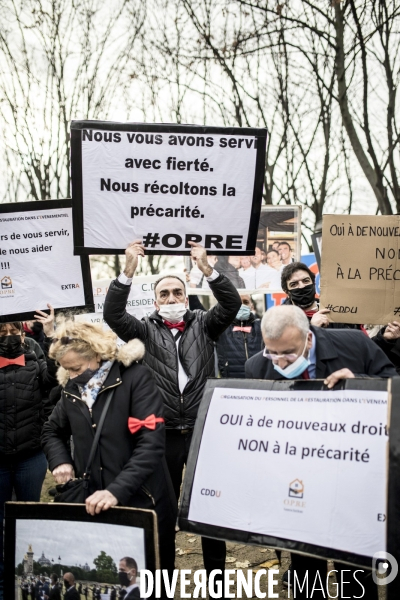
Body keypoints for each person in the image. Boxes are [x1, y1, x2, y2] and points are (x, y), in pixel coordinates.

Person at [103, 240, 241, 590]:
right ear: (154, 301)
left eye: (176, 292)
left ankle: (217, 588)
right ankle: (160, 587)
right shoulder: (143, 330)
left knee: (207, 514)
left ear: (186, 295)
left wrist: (208, 269)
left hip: (201, 432)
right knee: (162, 515)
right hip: (160, 435)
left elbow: (232, 303)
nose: (170, 299)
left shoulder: (205, 325)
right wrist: (128, 271)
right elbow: (113, 316)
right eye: (163, 294)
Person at [245, 305, 397, 599]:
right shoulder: (256, 367)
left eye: (288, 353)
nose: (279, 361)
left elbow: (394, 385)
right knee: (304, 565)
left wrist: (359, 385)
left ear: (309, 338)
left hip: (351, 475)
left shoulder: (355, 345)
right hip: (297, 484)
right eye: (271, 352)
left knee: (353, 568)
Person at [41, 321, 176, 581]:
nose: (71, 376)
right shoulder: (71, 390)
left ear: (96, 354)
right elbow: (51, 431)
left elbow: (151, 444)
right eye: (66, 370)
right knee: (115, 577)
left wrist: (116, 490)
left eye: (76, 368)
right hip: (95, 502)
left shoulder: (136, 378)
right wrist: (61, 461)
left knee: (153, 578)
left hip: (142, 498)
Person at [0, 308, 57, 600]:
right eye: (3, 333)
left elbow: (55, 379)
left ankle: (28, 586)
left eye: (15, 332)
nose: (10, 338)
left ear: (24, 333)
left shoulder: (35, 357)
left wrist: (49, 334)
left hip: (30, 457)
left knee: (28, 520)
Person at [281, 262, 366, 330]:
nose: (302, 286)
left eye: (306, 281)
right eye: (294, 284)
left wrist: (379, 337)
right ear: (287, 292)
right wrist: (313, 328)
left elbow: (359, 346)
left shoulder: (335, 311)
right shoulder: (281, 321)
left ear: (313, 283)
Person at [217, 295, 263, 378]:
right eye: (237, 302)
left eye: (245, 302)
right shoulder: (222, 328)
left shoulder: (261, 326)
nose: (241, 305)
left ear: (251, 306)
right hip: (232, 383)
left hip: (258, 382)